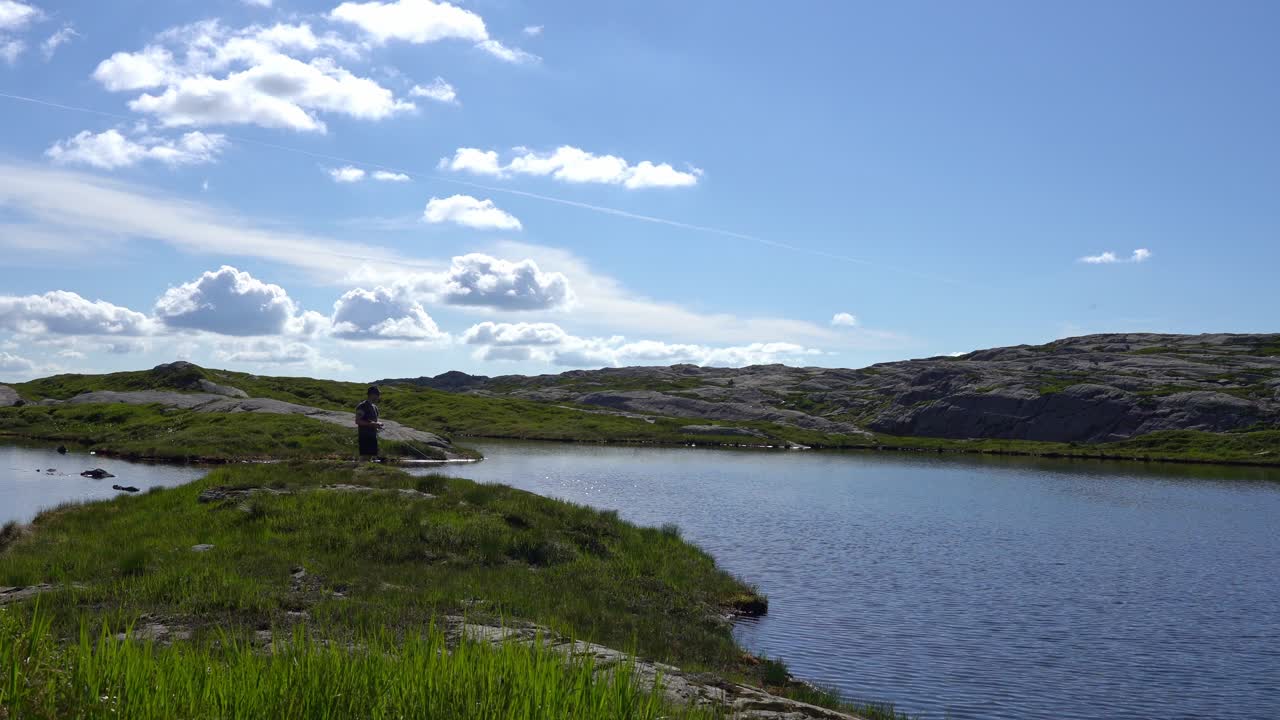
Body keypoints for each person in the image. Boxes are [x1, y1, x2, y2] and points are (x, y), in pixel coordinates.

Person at [355, 386, 385, 460]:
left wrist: (378, 424)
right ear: (372, 395)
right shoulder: (362, 406)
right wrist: (372, 424)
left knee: (370, 458)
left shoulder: (375, 407)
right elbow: (358, 421)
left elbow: (372, 421)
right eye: (377, 394)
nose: (379, 397)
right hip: (364, 436)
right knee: (364, 458)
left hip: (373, 436)